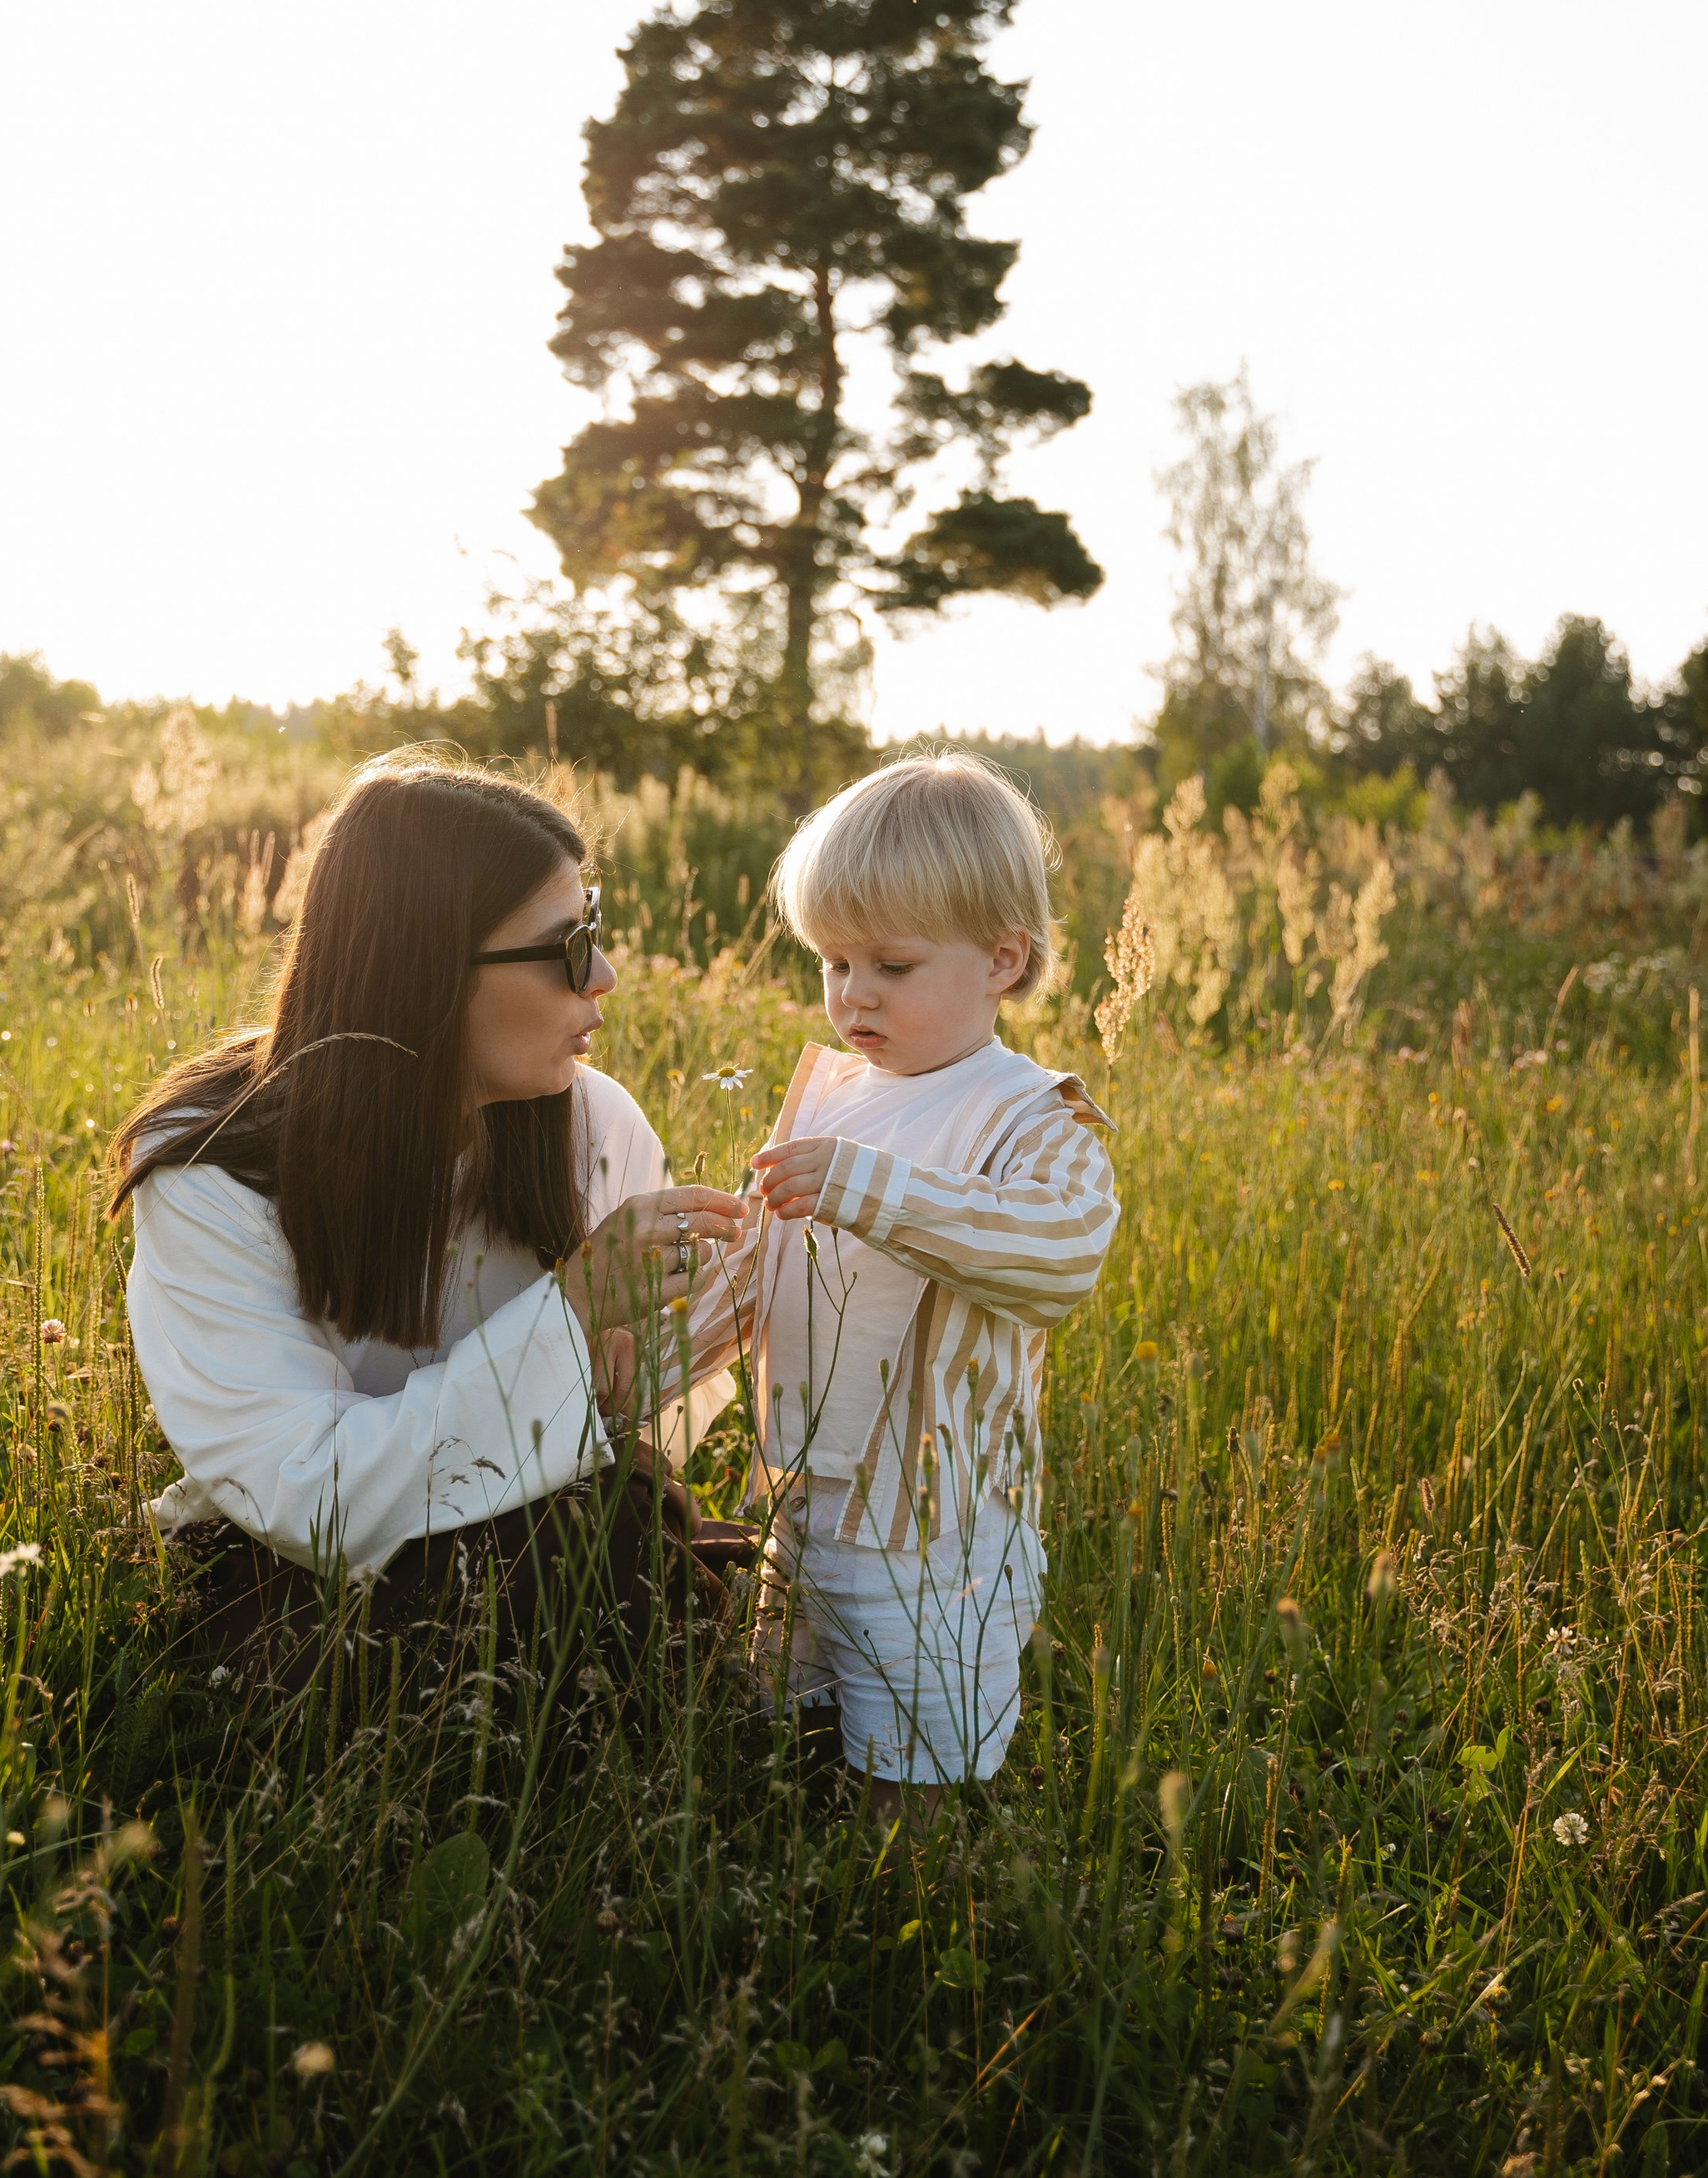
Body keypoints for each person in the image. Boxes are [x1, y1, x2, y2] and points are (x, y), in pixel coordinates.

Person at [112, 755, 747, 1669]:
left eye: (596, 930)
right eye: (568, 946)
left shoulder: (592, 1123)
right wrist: (567, 1317)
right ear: (429, 968)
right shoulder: (215, 1167)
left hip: (541, 1534)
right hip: (292, 1570)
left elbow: (629, 1441)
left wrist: (674, 1354)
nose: (602, 974)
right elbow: (308, 1497)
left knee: (604, 1551)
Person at [669, 753, 1120, 1823]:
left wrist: (874, 1190)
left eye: (892, 964)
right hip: (800, 1495)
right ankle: (792, 1886)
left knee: (910, 1754)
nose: (853, 993)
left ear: (1002, 960)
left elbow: (1059, 1252)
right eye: (833, 960)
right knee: (784, 1725)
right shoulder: (828, 1099)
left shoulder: (1029, 1114)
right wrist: (627, 1372)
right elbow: (757, 1272)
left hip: (935, 1523)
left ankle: (909, 1923)